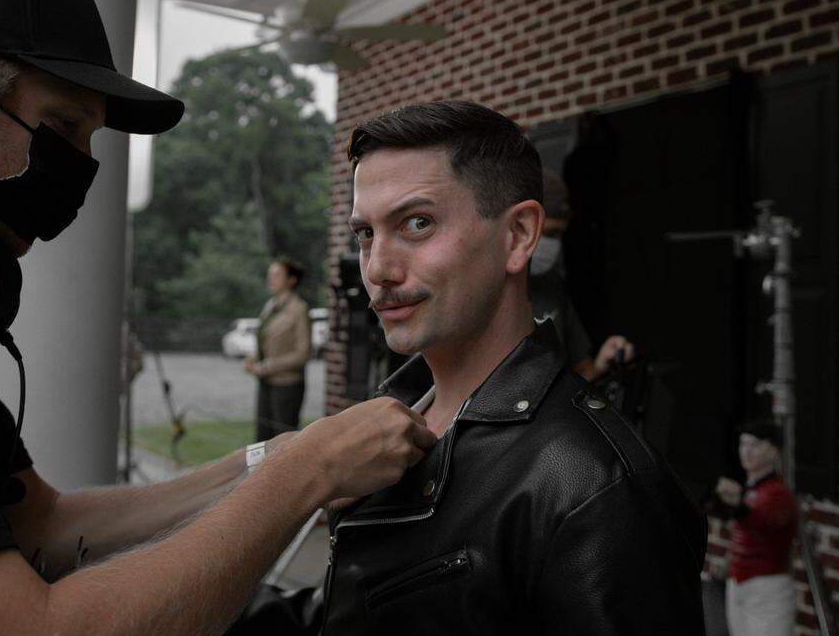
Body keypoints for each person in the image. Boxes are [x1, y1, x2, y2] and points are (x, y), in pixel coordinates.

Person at [0, 0, 436, 635]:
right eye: (61, 125)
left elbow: (45, 523)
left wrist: (283, 452)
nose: (82, 167)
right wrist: (307, 476)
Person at [233, 100, 707, 634]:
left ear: (519, 235)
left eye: (417, 223)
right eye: (366, 233)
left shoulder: (598, 488)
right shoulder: (392, 417)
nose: (379, 269)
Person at [529, 167, 633, 379]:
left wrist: (601, 364)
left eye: (559, 235)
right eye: (549, 233)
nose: (552, 245)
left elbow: (581, 374)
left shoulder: (552, 285)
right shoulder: (486, 291)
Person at [708, 421, 797, 636]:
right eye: (743, 444)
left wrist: (737, 504)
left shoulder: (778, 493)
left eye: (755, 445)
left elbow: (761, 521)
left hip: (765, 586)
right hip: (738, 583)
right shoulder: (748, 487)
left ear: (773, 451)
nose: (746, 451)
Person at [245, 258, 311, 440]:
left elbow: (303, 354)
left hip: (287, 386)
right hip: (266, 383)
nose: (270, 279)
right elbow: (264, 337)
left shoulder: (299, 309)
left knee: (282, 442)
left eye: (276, 275)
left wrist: (265, 366)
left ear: (291, 280)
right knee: (261, 440)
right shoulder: (270, 306)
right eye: (270, 275)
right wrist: (254, 358)